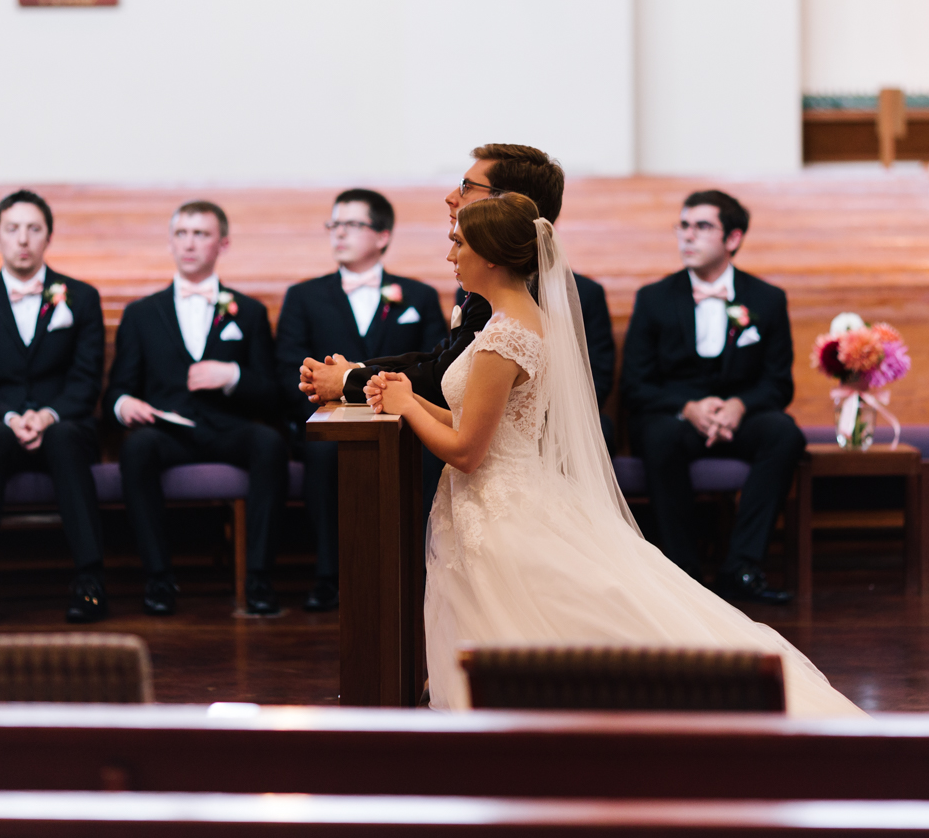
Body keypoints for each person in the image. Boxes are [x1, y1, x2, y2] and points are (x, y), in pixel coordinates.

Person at [367, 194, 861, 715]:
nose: (450, 256)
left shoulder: (501, 339)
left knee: (532, 626)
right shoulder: (515, 322)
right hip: (506, 490)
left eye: (458, 244)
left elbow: (467, 451)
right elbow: (478, 422)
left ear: (490, 256)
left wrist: (406, 407)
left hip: (496, 502)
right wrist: (413, 398)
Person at [298, 144, 617, 458]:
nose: (451, 197)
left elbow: (452, 405)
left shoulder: (508, 324)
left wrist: (349, 381)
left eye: (466, 186)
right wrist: (360, 372)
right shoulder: (493, 297)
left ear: (504, 203)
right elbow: (445, 360)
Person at [103, 200, 288, 616]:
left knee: (270, 444)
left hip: (228, 429)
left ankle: (258, 579)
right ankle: (158, 579)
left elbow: (272, 394)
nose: (189, 243)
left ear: (222, 243)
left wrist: (233, 376)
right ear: (170, 242)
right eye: (181, 234)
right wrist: (123, 404)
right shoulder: (140, 314)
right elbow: (116, 389)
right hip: (168, 432)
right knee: (137, 449)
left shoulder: (251, 311)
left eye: (201, 234)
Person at [622, 190, 804, 604]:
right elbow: (636, 383)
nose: (688, 236)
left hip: (740, 413)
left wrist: (739, 406)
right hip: (675, 416)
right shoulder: (653, 298)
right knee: (658, 436)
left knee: (783, 434)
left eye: (702, 227)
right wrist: (688, 407)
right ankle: (682, 571)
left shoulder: (766, 300)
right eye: (683, 226)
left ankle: (740, 567)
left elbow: (779, 383)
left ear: (733, 239)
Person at [275, 189, 446, 612]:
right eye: (334, 224)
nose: (339, 234)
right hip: (329, 421)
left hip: (403, 419)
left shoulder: (418, 297)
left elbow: (436, 368)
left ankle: (418, 571)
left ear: (383, 235)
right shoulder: (304, 296)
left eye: (352, 224)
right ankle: (330, 576)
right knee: (321, 457)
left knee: (428, 459)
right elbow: (287, 368)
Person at [0, 190, 107, 625]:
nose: (23, 239)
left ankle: (91, 580)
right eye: (13, 229)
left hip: (65, 423)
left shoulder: (81, 297)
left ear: (49, 237)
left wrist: (48, 414)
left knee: (64, 438)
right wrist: (12, 416)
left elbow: (85, 380)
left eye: (34, 229)